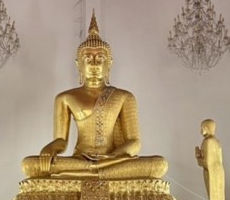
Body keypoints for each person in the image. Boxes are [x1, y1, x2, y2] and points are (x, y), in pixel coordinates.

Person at [21, 13, 168, 181]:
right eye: (88, 58)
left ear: (109, 63)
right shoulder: (65, 97)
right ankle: (95, 171)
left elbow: (134, 141)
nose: (94, 64)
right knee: (29, 165)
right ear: (79, 64)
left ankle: (92, 171)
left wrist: (112, 157)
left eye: (100, 58)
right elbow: (61, 140)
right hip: (80, 160)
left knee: (159, 164)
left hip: (112, 160)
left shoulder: (124, 97)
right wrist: (49, 149)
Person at [195, 119, 225, 200]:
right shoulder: (216, 141)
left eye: (202, 128)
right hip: (218, 172)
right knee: (218, 198)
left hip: (212, 172)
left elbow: (207, 163)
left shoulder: (208, 141)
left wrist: (198, 157)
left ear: (207, 128)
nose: (201, 131)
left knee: (214, 197)